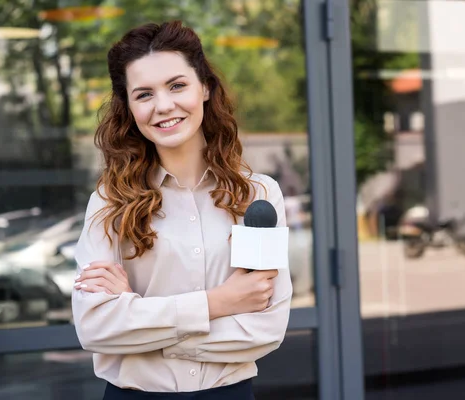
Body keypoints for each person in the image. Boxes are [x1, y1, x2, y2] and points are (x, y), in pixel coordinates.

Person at [71, 21, 292, 400]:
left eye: (177, 85)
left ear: (204, 87)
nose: (163, 106)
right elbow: (95, 327)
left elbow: (265, 329)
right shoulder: (111, 200)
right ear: (129, 107)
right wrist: (219, 303)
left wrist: (142, 323)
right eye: (144, 94)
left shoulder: (258, 195)